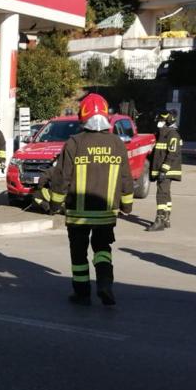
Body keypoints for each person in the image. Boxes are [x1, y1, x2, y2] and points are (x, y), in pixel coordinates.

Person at [49, 93, 134, 306]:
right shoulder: (117, 144)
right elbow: (126, 179)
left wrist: (54, 203)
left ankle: (82, 293)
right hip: (106, 214)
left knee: (79, 255)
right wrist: (127, 206)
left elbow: (61, 178)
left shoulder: (74, 143)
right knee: (103, 250)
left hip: (78, 215)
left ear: (83, 116)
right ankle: (105, 284)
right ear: (106, 115)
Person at [147, 109, 183, 231]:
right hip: (164, 169)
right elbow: (158, 153)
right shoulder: (162, 134)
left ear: (166, 121)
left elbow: (172, 154)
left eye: (161, 120)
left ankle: (159, 220)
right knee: (166, 193)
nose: (158, 123)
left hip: (167, 170)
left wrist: (163, 170)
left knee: (161, 193)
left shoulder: (172, 134)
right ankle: (166, 219)